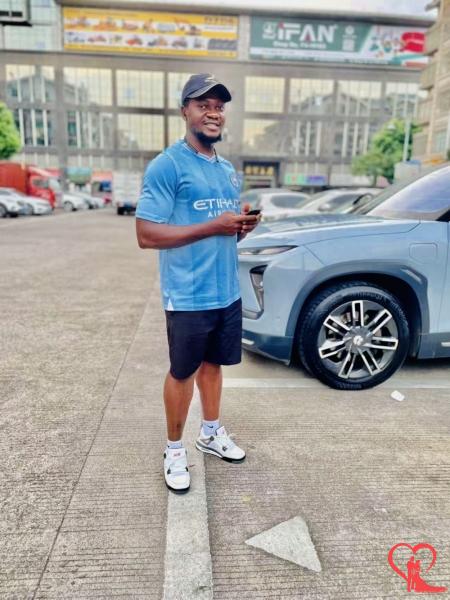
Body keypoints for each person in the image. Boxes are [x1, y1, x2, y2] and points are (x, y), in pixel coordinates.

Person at [135, 73, 260, 493]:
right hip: (188, 294)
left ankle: (210, 432)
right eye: (203, 104)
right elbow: (146, 234)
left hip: (226, 290)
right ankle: (174, 449)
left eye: (219, 106)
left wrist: (240, 227)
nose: (213, 113)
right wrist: (213, 226)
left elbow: (221, 230)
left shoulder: (226, 170)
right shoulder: (168, 165)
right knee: (182, 371)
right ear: (184, 111)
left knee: (214, 365)